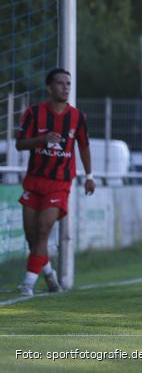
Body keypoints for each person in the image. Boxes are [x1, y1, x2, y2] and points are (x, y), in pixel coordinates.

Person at [16, 68, 95, 296]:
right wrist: (42, 139)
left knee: (43, 231)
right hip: (34, 181)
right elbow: (20, 144)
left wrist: (89, 176)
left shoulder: (77, 117)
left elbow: (84, 147)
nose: (65, 87)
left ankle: (28, 284)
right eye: (60, 83)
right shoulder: (33, 114)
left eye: (68, 83)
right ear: (49, 88)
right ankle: (50, 276)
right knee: (32, 237)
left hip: (59, 183)